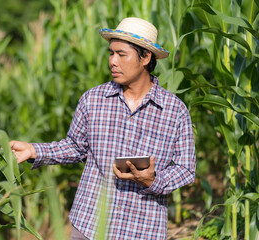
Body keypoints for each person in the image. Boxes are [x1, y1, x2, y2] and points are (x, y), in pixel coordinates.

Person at [10, 17, 196, 239]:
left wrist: (154, 181)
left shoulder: (174, 111)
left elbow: (186, 169)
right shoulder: (93, 99)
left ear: (145, 57)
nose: (112, 62)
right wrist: (34, 150)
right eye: (111, 53)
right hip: (89, 224)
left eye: (121, 54)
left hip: (142, 229)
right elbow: (76, 147)